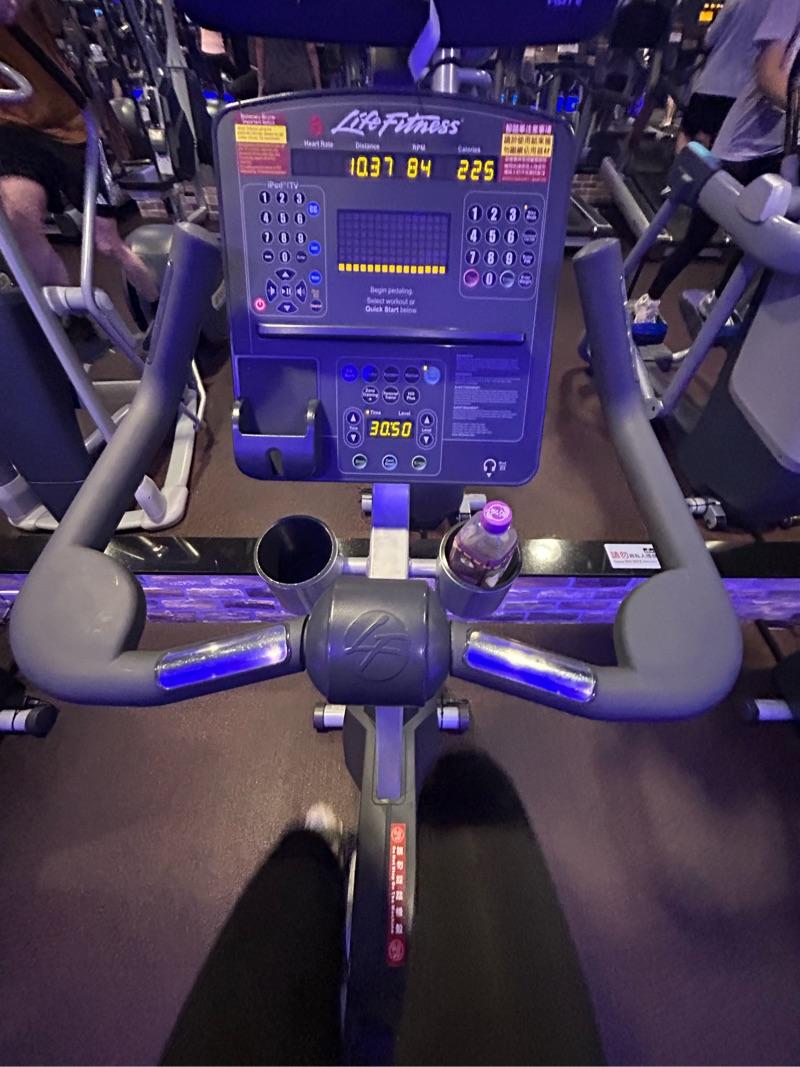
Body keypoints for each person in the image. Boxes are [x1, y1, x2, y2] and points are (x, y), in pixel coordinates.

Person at [632, 0, 799, 327]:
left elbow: (710, 39)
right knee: (701, 233)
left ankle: (715, 302)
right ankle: (650, 298)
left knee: (760, 237)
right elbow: (768, 75)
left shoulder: (737, 4)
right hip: (738, 133)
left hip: (765, 136)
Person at [0, 0, 159, 301]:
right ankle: (69, 318)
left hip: (64, 116)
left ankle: (166, 307)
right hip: (8, 123)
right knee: (16, 217)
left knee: (106, 240)